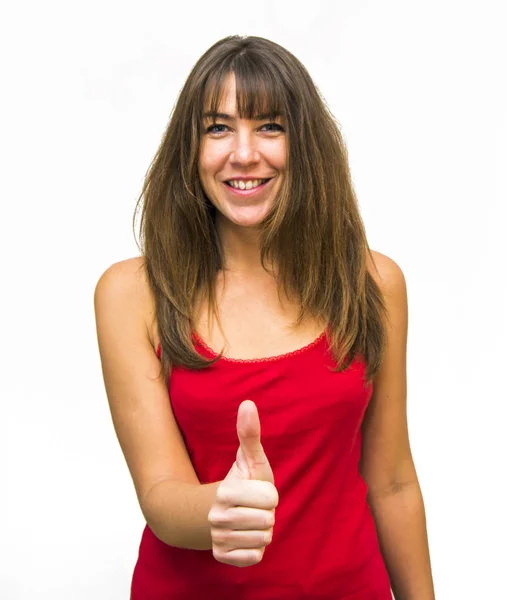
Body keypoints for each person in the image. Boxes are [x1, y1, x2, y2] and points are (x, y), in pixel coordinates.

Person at [94, 35, 435, 600]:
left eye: (270, 126)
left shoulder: (374, 284)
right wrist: (218, 509)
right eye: (218, 127)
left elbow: (393, 481)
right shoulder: (132, 294)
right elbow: (159, 494)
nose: (244, 153)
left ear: (305, 145)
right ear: (191, 148)